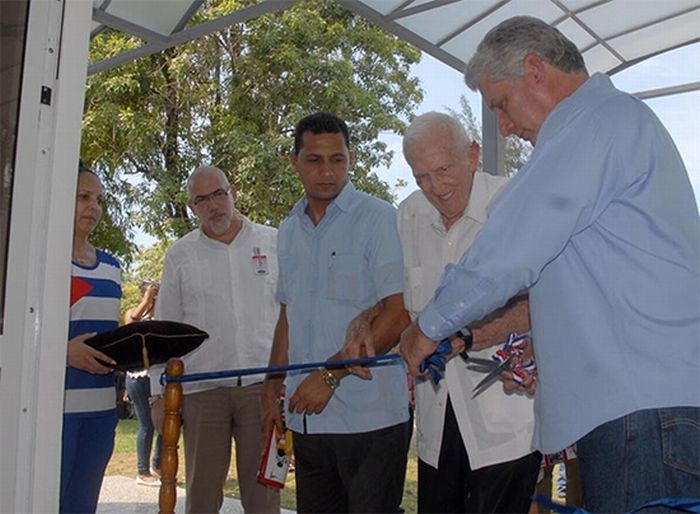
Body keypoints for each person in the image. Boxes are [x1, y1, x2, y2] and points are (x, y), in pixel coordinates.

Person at [399, 15, 700, 513]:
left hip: (642, 416)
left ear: (534, 70)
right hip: (639, 413)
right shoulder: (609, 128)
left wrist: (427, 327)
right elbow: (600, 281)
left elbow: (510, 248)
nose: (506, 127)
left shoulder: (595, 121)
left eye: (501, 105)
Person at [262, 112, 412, 513]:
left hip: (371, 419)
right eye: (314, 160)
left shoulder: (380, 218)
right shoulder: (288, 229)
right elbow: (286, 317)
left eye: (338, 160)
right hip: (306, 419)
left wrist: (330, 376)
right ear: (294, 161)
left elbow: (399, 314)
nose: (327, 172)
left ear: (351, 159)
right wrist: (270, 388)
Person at [399, 111, 540, 513]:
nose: (435, 187)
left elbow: (538, 302)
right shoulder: (407, 215)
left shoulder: (513, 203)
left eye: (443, 170)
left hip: (505, 421)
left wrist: (463, 335)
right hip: (436, 419)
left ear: (473, 155)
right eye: (420, 176)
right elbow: (412, 311)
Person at [152, 166, 280, 514]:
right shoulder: (180, 255)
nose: (213, 205)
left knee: (264, 497)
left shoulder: (274, 242)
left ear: (233, 192)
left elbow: (291, 315)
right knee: (202, 498)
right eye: (201, 199)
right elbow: (164, 330)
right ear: (192, 207)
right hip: (202, 391)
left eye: (218, 194)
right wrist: (156, 393)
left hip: (263, 390)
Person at [62, 165, 121, 513]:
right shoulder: (41, 262)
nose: (93, 207)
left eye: (98, 200)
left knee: (83, 506)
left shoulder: (112, 267)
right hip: (55, 412)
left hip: (101, 414)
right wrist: (61, 352)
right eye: (83, 197)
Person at [123, 280, 163, 486]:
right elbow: (129, 327)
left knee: (165, 424)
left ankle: (158, 465)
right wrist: (146, 302)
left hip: (159, 375)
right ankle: (142, 471)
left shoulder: (163, 314)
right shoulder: (133, 312)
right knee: (147, 424)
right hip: (138, 377)